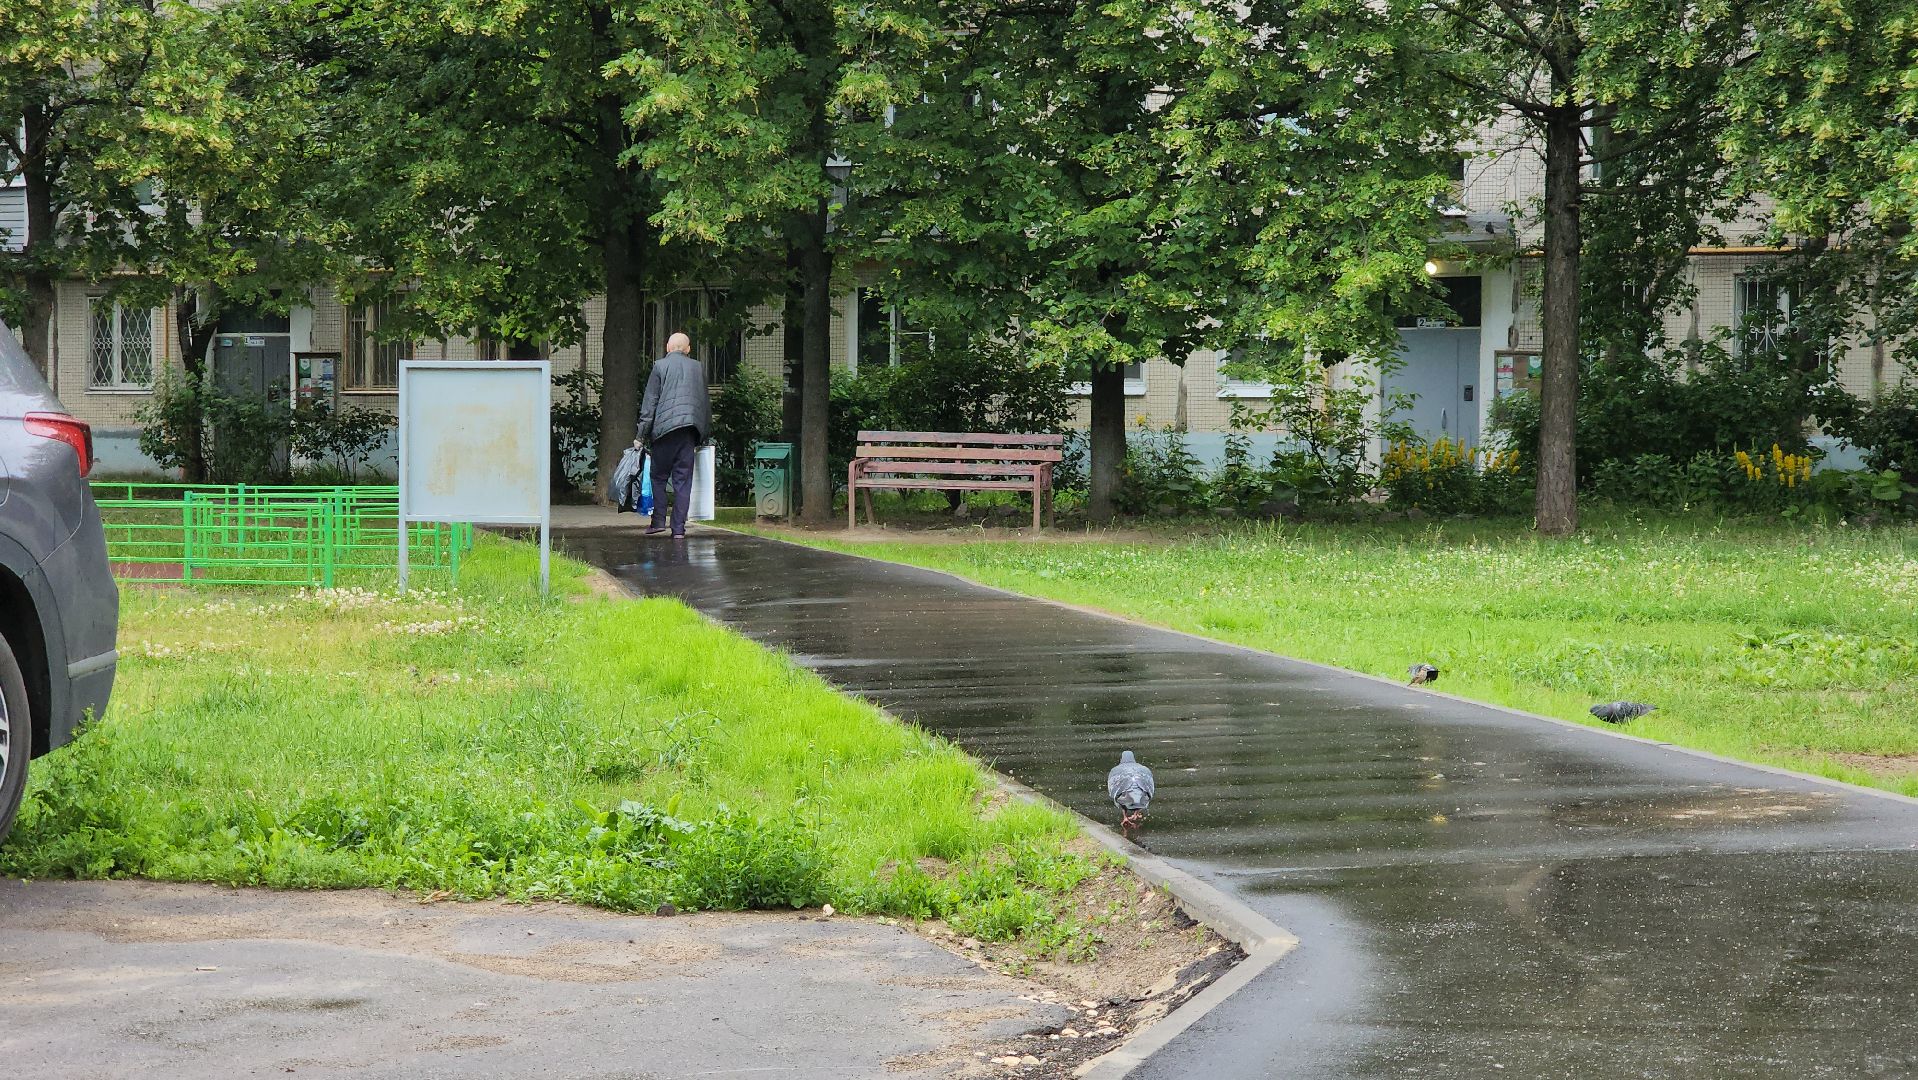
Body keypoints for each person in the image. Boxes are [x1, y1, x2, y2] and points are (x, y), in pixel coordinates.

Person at [635, 332, 712, 539]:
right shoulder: (698, 368)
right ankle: (678, 529)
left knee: (658, 477)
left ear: (668, 348)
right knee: (683, 481)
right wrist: (703, 435)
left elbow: (650, 403)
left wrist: (641, 435)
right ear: (688, 349)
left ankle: (658, 521)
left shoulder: (660, 366)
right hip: (689, 431)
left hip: (663, 432)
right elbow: (704, 402)